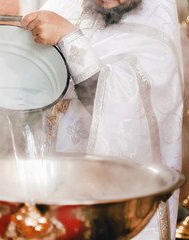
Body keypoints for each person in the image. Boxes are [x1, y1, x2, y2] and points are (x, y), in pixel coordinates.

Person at [21, 0, 183, 239]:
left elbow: (131, 108)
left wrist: (68, 37)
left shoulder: (158, 16)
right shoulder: (60, 5)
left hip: (111, 196)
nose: (109, 2)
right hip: (52, 183)